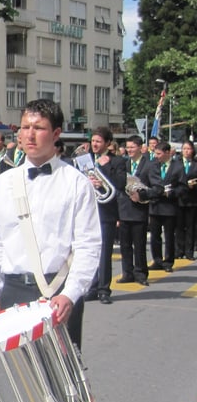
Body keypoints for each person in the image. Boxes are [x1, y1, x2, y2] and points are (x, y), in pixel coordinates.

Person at [0, 99, 100, 402]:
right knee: (23, 382)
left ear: (55, 134)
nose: (28, 134)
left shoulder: (75, 183)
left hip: (57, 292)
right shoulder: (3, 183)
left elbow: (88, 246)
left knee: (59, 384)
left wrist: (71, 294)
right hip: (14, 291)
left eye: (38, 127)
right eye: (24, 126)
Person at [81, 127, 125, 305]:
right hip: (87, 211)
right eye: (93, 141)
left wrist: (105, 170)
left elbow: (120, 184)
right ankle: (92, 287)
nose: (95, 144)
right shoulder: (86, 159)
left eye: (98, 141)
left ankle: (104, 289)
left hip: (106, 211)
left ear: (107, 143)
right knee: (90, 251)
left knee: (105, 251)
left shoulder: (117, 161)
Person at [117, 136, 152, 286]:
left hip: (139, 210)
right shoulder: (123, 164)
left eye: (132, 147)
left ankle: (141, 273)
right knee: (125, 246)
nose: (129, 150)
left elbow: (156, 188)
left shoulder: (149, 165)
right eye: (128, 147)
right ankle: (127, 272)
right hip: (124, 210)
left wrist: (141, 195)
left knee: (139, 245)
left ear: (140, 147)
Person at [145, 142, 184, 272]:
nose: (156, 156)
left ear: (167, 152)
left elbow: (182, 187)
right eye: (155, 153)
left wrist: (172, 193)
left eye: (159, 154)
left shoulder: (178, 167)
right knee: (155, 235)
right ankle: (157, 259)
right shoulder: (153, 166)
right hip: (155, 205)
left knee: (169, 235)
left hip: (170, 206)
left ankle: (168, 261)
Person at [175, 140, 197, 260]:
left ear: (192, 150)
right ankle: (179, 250)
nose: (186, 151)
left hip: (192, 199)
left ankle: (189, 251)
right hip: (179, 199)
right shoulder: (177, 164)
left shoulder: (195, 164)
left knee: (190, 226)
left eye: (189, 149)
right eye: (184, 149)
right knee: (179, 226)